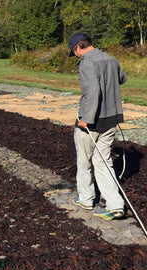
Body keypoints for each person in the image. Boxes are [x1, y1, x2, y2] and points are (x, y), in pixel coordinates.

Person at [68, 33, 126, 221]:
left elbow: (92, 91)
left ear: (78, 47)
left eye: (74, 52)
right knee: (103, 162)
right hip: (111, 119)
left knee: (84, 161)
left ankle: (86, 199)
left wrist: (86, 118)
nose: (75, 56)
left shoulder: (86, 62)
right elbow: (122, 79)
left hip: (91, 122)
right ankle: (116, 206)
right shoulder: (111, 59)